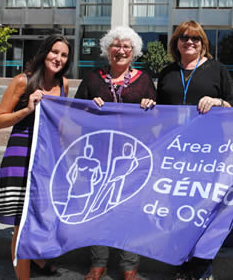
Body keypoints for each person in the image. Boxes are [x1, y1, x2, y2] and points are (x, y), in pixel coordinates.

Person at [155, 20, 233, 279]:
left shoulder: (217, 70)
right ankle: (179, 263)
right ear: (176, 43)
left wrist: (218, 101)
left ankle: (201, 268)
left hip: (207, 155)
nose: (190, 42)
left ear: (204, 44)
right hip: (175, 153)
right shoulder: (168, 72)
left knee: (201, 208)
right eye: (184, 37)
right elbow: (159, 112)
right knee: (176, 208)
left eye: (196, 38)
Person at [73, 26, 156, 280]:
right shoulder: (92, 79)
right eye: (116, 45)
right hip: (99, 157)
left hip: (132, 158)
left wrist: (149, 105)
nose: (121, 50)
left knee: (130, 210)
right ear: (107, 49)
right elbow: (76, 114)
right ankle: (98, 262)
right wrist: (88, 107)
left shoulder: (144, 81)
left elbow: (157, 118)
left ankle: (129, 266)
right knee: (98, 208)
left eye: (127, 46)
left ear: (134, 52)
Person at [0, 34, 71, 280]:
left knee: (42, 215)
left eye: (64, 55)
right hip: (21, 155)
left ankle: (37, 259)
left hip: (48, 158)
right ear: (44, 52)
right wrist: (27, 109)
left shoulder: (64, 84)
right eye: (55, 52)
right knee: (21, 223)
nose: (58, 58)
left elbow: (62, 122)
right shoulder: (22, 81)